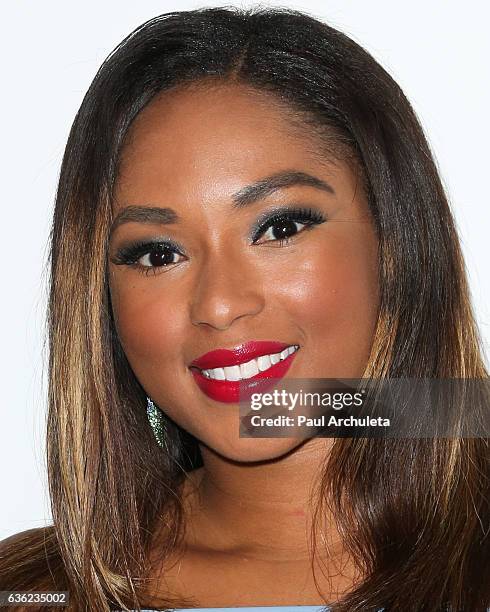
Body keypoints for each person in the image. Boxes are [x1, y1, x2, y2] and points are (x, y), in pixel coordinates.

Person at [0, 6, 488, 612]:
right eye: (157, 254)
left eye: (279, 227)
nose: (220, 305)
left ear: (395, 241)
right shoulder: (32, 591)